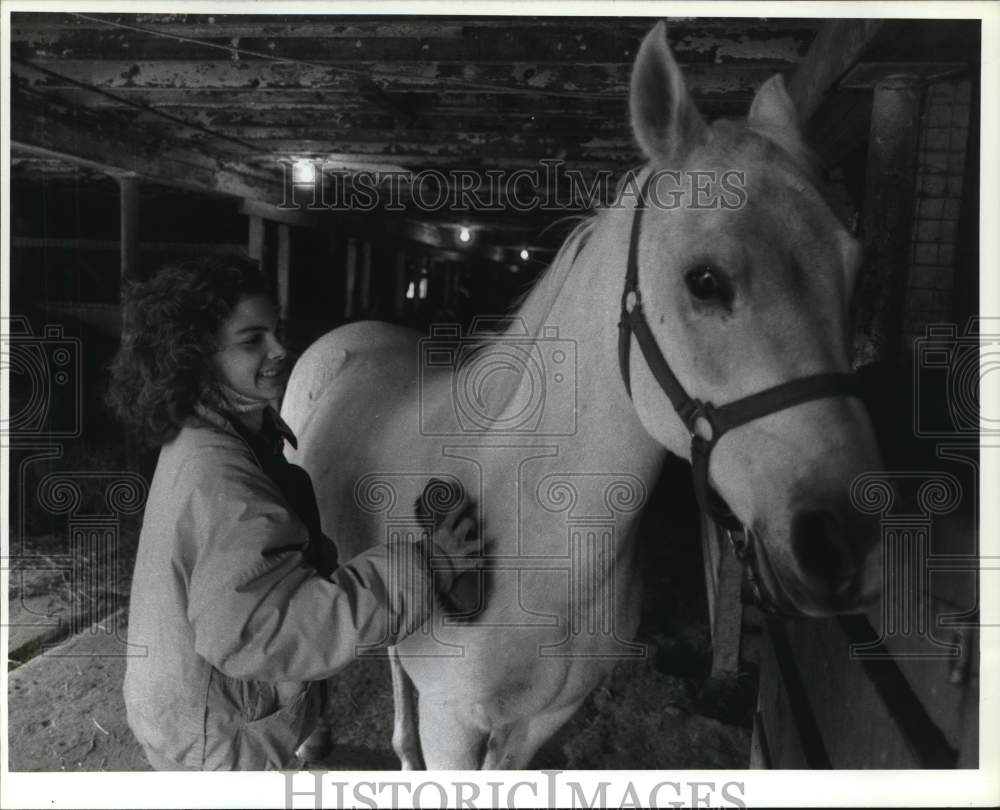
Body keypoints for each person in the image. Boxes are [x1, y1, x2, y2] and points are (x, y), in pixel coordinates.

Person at [108, 255, 477, 770]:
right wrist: (426, 567)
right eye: (252, 339)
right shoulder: (223, 479)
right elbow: (265, 633)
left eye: (276, 332)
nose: (281, 350)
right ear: (196, 357)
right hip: (220, 742)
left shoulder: (208, 435)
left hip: (189, 708)